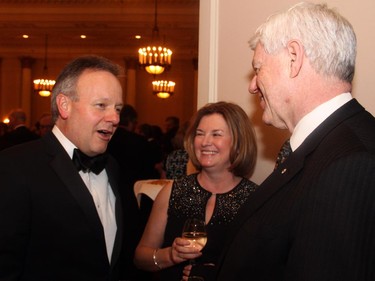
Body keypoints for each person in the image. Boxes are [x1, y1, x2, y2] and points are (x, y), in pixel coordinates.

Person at [215, 3, 375, 281]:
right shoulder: (326, 144)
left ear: (293, 57)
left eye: (258, 68)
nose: (252, 85)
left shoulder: (350, 163)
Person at [0, 55, 124, 281]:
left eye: (118, 108)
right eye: (101, 105)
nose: (114, 117)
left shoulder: (112, 166)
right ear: (64, 105)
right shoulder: (14, 166)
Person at [134, 101, 258, 281]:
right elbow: (140, 258)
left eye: (216, 134)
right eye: (200, 134)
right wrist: (170, 255)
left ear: (238, 143)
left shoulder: (254, 200)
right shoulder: (172, 192)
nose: (205, 142)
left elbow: (264, 269)